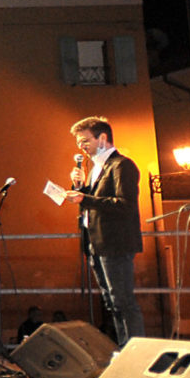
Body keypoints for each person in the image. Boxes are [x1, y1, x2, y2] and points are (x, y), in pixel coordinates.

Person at [66, 116, 144, 343]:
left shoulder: (122, 165)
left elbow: (125, 204)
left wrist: (85, 198)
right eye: (79, 142)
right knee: (112, 303)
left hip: (115, 243)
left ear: (102, 138)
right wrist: (81, 188)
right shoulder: (97, 168)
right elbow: (96, 198)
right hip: (97, 243)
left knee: (123, 301)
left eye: (85, 141)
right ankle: (124, 347)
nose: (81, 146)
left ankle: (135, 352)